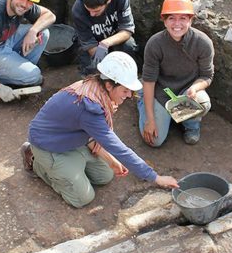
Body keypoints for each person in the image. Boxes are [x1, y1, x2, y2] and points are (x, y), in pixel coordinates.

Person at [21, 51, 178, 208]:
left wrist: (110, 160)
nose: (129, 95)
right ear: (109, 85)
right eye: (125, 90)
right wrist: (155, 177)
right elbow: (117, 147)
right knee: (82, 198)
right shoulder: (89, 107)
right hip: (49, 146)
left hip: (71, 139)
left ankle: (70, 168)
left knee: (105, 175)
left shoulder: (96, 90)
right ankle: (35, 160)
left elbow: (92, 132)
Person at [138, 0, 214, 147]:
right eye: (171, 18)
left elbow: (207, 75)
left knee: (203, 102)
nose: (177, 24)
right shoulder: (155, 44)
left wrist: (195, 87)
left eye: (183, 18)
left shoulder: (203, 43)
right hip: (161, 91)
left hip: (185, 91)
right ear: (164, 21)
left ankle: (190, 124)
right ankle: (143, 102)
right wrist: (150, 120)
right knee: (155, 141)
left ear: (191, 20)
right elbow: (149, 81)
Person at [71, 0, 140, 76]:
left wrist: (105, 43)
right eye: (89, 10)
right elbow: (89, 44)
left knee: (129, 46)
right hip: (93, 44)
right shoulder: (78, 10)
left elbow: (127, 30)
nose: (92, 14)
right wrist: (104, 67)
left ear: (109, 0)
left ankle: (129, 75)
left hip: (115, 38)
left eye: (97, 11)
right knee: (92, 70)